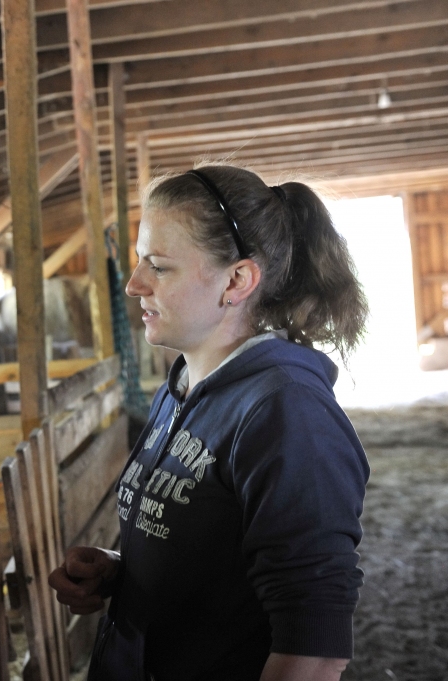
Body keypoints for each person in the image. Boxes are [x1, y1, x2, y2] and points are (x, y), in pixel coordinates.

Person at [48, 164, 370, 681]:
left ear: (237, 280)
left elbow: (313, 650)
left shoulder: (287, 412)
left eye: (159, 266)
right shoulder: (181, 388)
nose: (134, 285)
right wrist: (121, 572)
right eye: (138, 262)